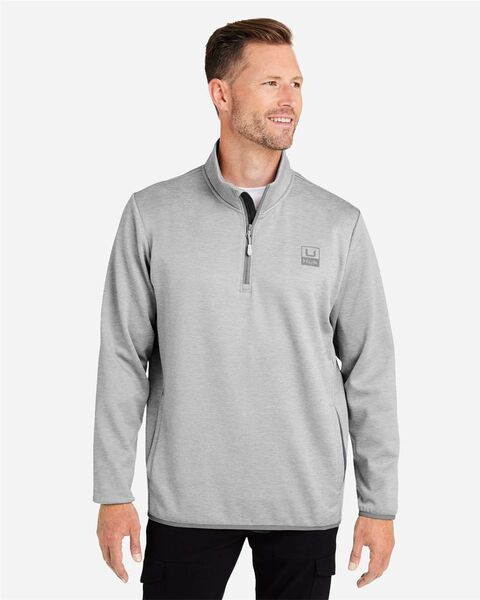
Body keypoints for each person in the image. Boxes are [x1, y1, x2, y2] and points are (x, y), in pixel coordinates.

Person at [93, 17, 400, 600]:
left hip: (303, 502)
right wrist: (112, 492)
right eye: (271, 83)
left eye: (297, 84)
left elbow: (370, 370)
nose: (290, 100)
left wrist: (378, 505)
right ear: (221, 93)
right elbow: (123, 358)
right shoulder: (151, 214)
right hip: (186, 499)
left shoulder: (339, 224)